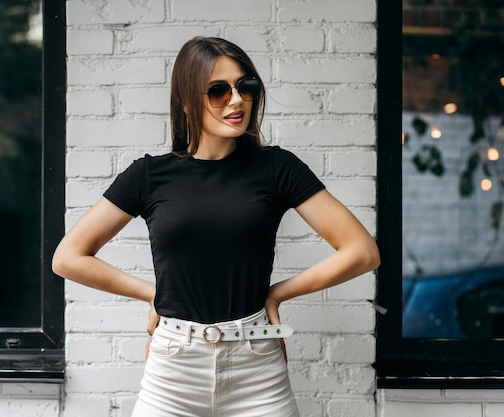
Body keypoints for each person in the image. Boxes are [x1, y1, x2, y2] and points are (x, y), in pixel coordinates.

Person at [52, 36, 380, 417]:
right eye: (218, 91)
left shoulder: (278, 168)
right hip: (173, 370)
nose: (237, 100)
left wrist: (275, 295)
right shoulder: (149, 175)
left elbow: (362, 251)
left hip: (258, 367)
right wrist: (153, 294)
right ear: (189, 102)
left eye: (246, 86)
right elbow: (68, 257)